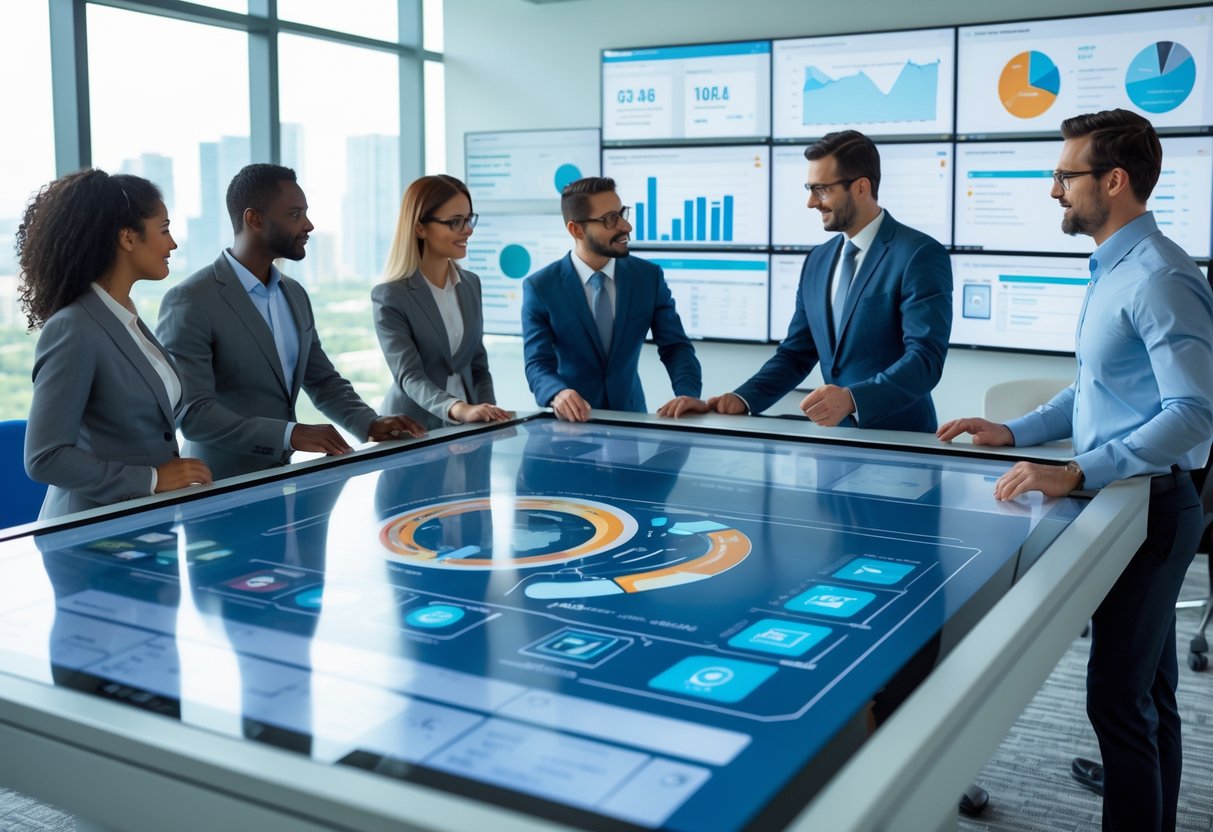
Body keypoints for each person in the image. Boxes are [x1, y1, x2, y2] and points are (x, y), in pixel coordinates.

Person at [938, 109, 1213, 832]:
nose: (1053, 189)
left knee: (1117, 701)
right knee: (1145, 698)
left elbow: (1192, 412)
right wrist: (1013, 431)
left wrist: (1078, 471)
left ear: (1113, 181)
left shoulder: (1158, 277)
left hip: (1148, 511)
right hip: (1129, 502)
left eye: (1064, 175)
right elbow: (1096, 391)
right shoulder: (1116, 267)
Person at [157, 163, 425, 481]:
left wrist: (369, 423)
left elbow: (323, 382)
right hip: (219, 486)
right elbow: (194, 414)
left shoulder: (294, 294)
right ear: (254, 219)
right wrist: (290, 434)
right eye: (295, 214)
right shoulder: (191, 300)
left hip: (288, 484)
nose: (309, 225)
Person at [668, 130, 952, 429]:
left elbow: (925, 360)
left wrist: (854, 399)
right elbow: (795, 354)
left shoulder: (918, 254)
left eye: (822, 190)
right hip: (832, 443)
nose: (811, 203)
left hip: (900, 442)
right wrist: (741, 400)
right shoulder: (818, 260)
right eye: (810, 189)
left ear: (861, 187)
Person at [20, 170, 212, 519]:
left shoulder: (126, 319)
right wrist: (152, 479)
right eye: (165, 230)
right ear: (127, 237)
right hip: (90, 533)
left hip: (144, 524)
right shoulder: (74, 328)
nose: (173, 244)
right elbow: (44, 457)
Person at [521, 176, 702, 421]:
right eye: (610, 219)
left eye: (622, 214)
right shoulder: (541, 287)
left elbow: (675, 347)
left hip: (631, 420)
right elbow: (537, 363)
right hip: (571, 426)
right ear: (576, 229)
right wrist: (557, 393)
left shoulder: (648, 278)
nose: (626, 227)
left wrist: (687, 393)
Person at [372, 174, 510, 431]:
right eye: (455, 222)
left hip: (469, 429)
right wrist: (459, 409)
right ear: (420, 228)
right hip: (413, 430)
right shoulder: (390, 296)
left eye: (468, 219)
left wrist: (489, 415)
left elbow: (478, 364)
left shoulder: (470, 284)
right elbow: (409, 377)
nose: (467, 229)